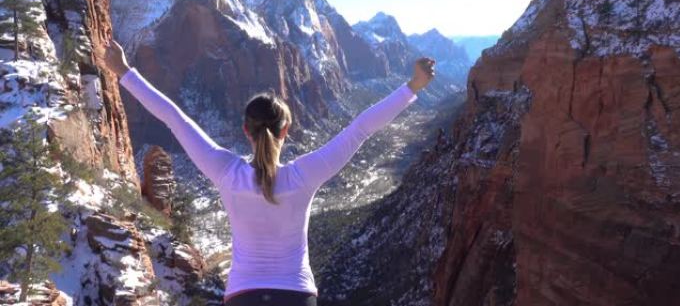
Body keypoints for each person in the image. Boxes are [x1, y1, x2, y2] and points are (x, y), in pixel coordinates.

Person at [103, 39, 435, 306]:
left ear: (246, 131)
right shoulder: (304, 175)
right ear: (285, 131)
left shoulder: (226, 172)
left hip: (242, 296)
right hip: (297, 295)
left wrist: (124, 71)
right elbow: (360, 128)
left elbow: (173, 118)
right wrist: (413, 87)